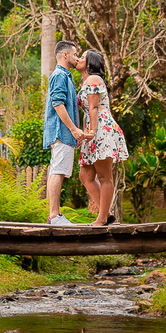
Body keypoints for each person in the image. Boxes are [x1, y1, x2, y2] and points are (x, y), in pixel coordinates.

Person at [76, 49, 128, 226]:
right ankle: (108, 216)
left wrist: (92, 133)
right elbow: (87, 111)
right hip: (93, 130)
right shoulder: (86, 81)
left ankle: (102, 218)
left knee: (105, 177)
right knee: (85, 176)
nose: (78, 59)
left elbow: (94, 108)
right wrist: (84, 134)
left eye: (82, 57)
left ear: (90, 64)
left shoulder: (93, 79)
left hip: (101, 130)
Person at [43, 40, 89, 225]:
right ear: (65, 55)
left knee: (59, 170)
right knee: (57, 171)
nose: (77, 57)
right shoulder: (59, 76)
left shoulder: (66, 76)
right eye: (75, 54)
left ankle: (56, 214)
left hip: (65, 133)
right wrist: (73, 129)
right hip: (60, 132)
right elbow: (57, 104)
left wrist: (74, 132)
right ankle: (54, 215)